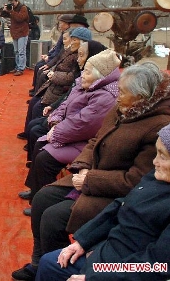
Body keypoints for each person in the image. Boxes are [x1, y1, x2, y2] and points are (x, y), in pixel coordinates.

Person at [11, 62, 170, 281]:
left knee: (54, 218)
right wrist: (82, 165)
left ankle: (59, 265)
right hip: (95, 181)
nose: (117, 96)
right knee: (43, 198)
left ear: (141, 98)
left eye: (123, 92)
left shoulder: (161, 129)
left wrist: (90, 179)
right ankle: (41, 261)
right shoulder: (123, 109)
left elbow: (133, 183)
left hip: (109, 189)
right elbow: (95, 141)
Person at [36, 121, 170, 281]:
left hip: (120, 266)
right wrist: (83, 241)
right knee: (49, 263)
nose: (154, 162)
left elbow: (158, 265)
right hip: (109, 249)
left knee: (52, 262)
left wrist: (95, 277)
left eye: (163, 156)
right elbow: (122, 204)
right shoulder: (159, 177)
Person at [21, 49, 121, 212]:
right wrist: (55, 120)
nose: (83, 74)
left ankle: (43, 202)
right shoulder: (86, 83)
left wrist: (57, 132)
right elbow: (66, 104)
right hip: (70, 132)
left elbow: (84, 124)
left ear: (100, 74)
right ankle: (35, 193)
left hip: (87, 142)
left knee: (44, 157)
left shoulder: (106, 96)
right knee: (39, 143)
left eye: (87, 71)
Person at [2, 0, 29, 76]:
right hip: (14, 32)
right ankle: (17, 67)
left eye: (12, 2)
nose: (12, 4)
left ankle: (21, 68)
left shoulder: (23, 8)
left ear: (16, 0)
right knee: (16, 51)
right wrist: (4, 10)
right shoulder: (11, 9)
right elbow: (3, 16)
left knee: (21, 51)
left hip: (22, 32)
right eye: (10, 3)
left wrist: (11, 11)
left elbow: (20, 18)